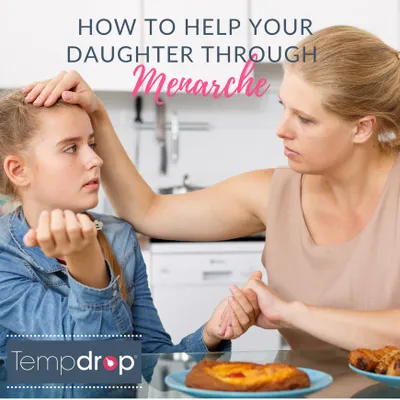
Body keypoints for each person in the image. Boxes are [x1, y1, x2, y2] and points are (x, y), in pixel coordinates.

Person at [24, 25, 400, 351]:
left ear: (362, 128)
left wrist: (293, 313)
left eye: (304, 119)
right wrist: (98, 117)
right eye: (283, 107)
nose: (282, 129)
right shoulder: (273, 193)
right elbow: (148, 212)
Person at [0, 89, 261, 359]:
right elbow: (93, 361)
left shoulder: (118, 237)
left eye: (92, 144)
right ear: (18, 171)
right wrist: (87, 267)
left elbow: (149, 363)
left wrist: (209, 335)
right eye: (70, 148)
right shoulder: (5, 256)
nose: (96, 159)